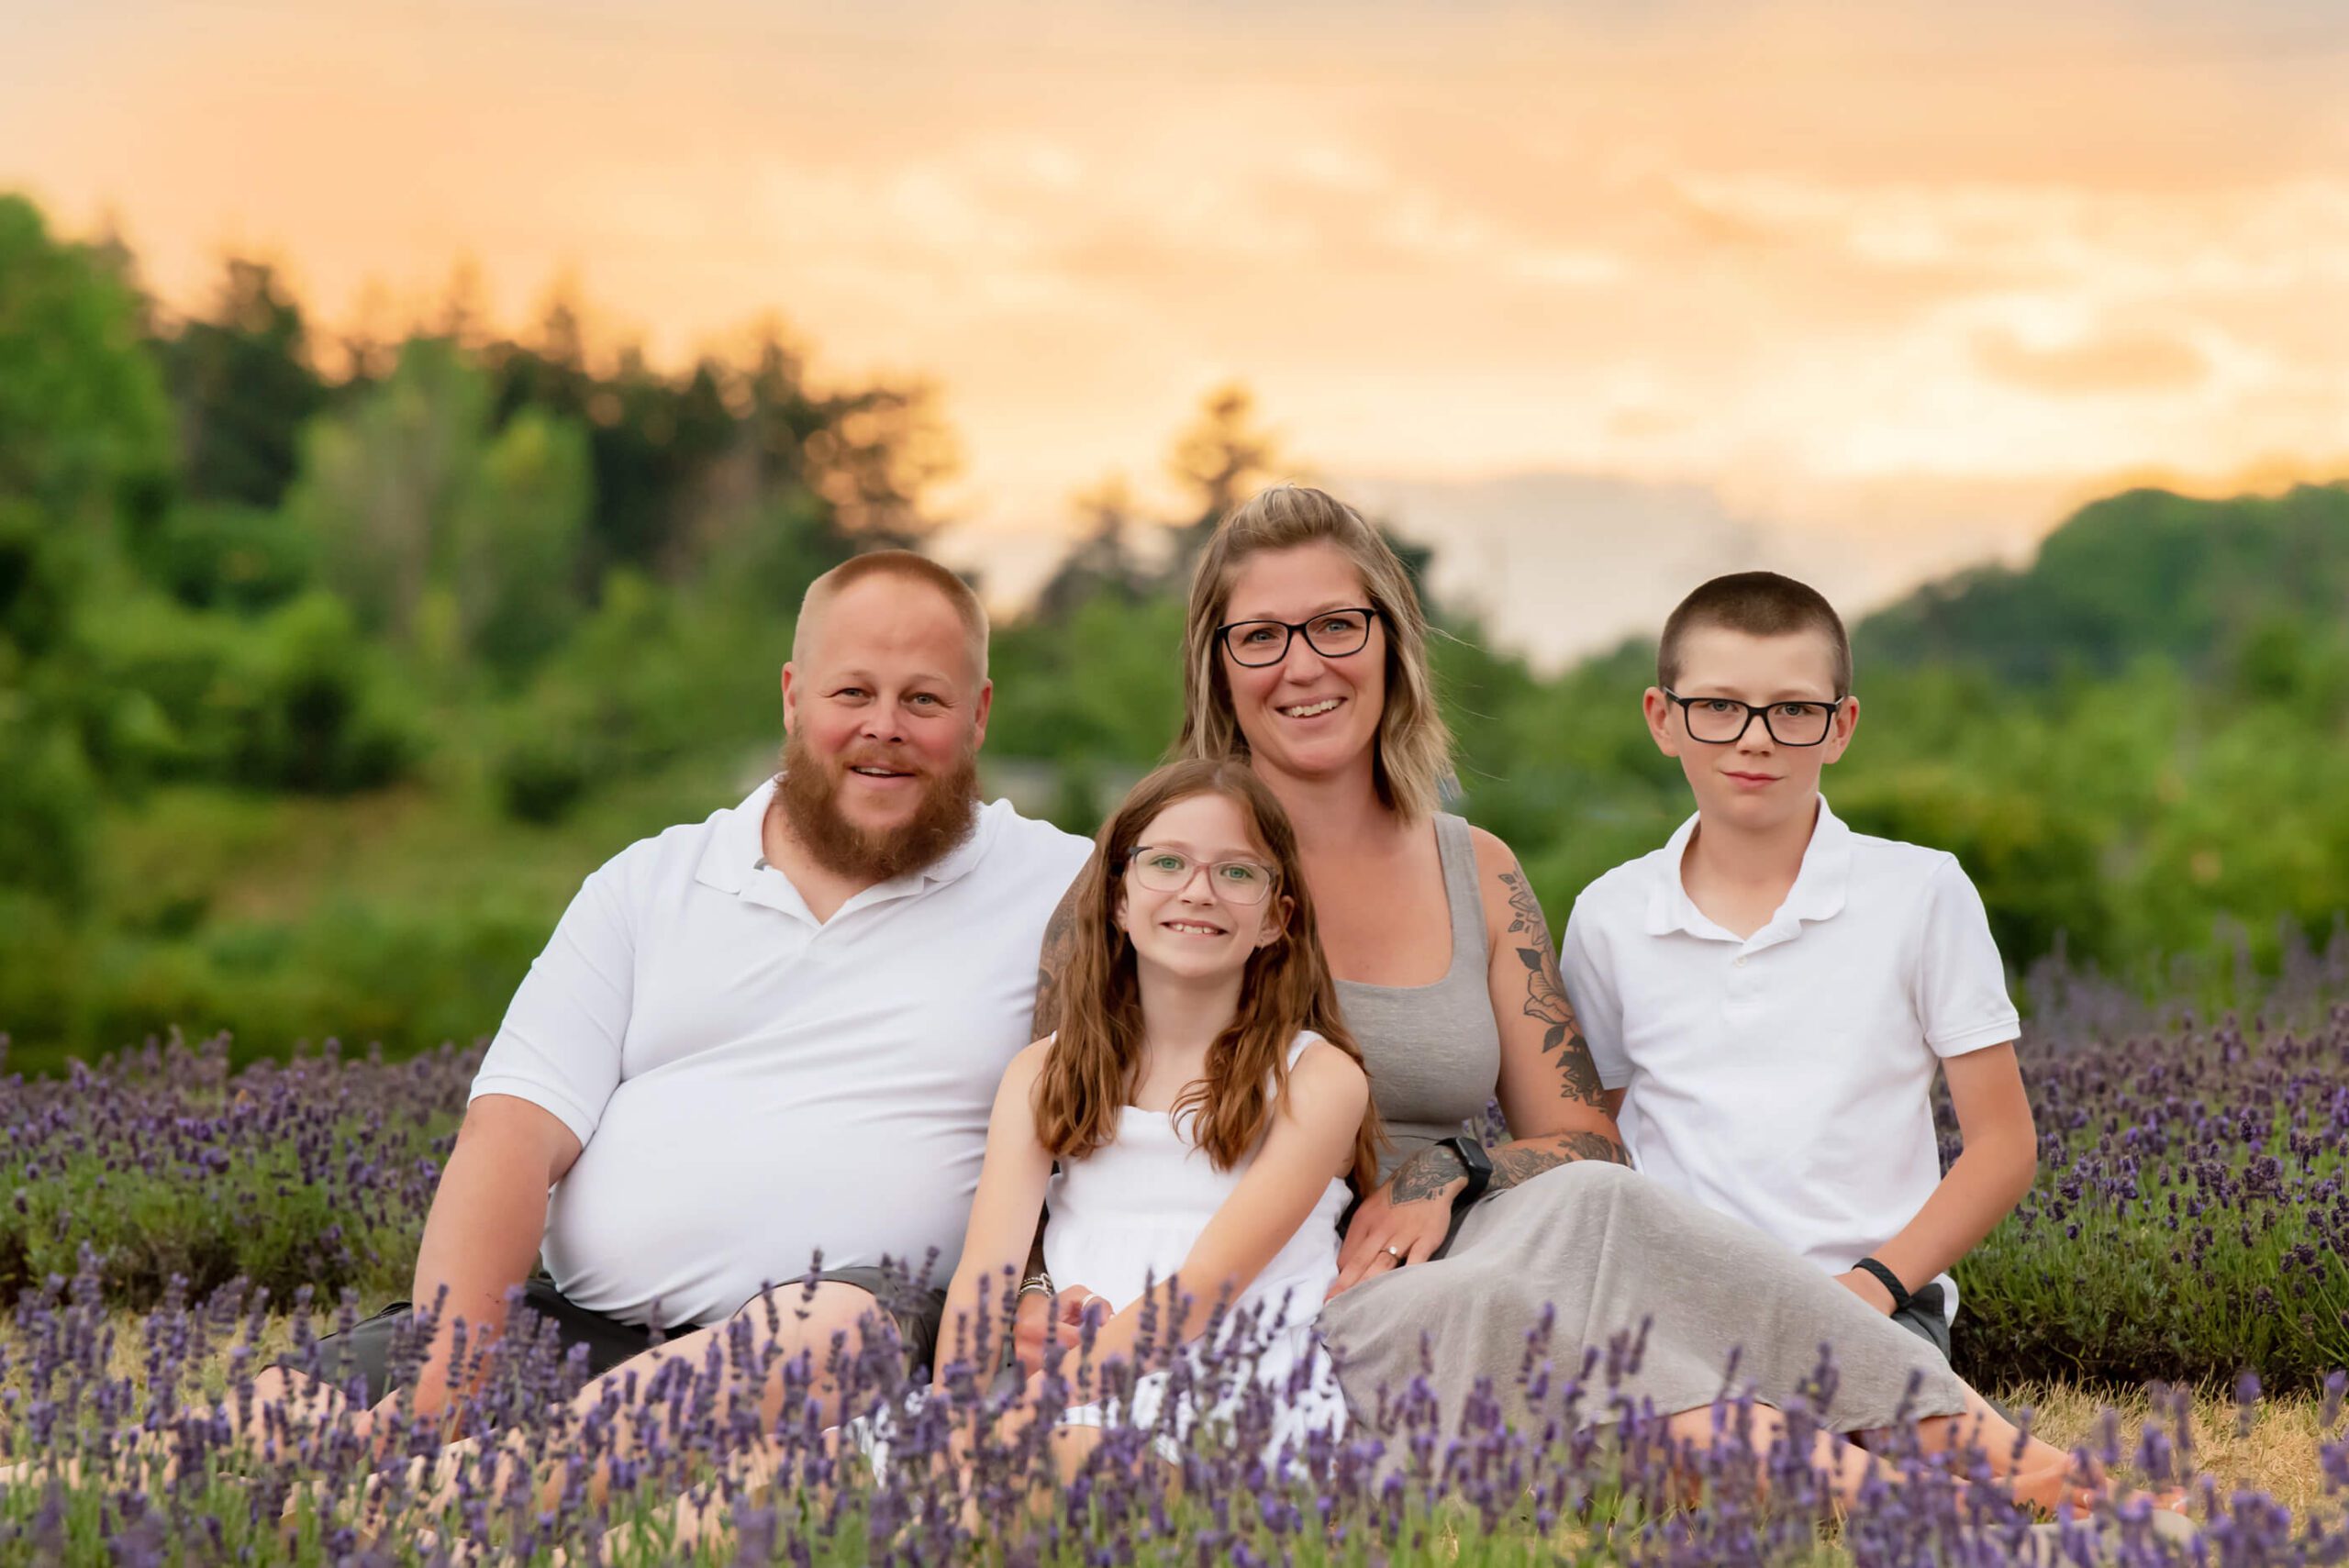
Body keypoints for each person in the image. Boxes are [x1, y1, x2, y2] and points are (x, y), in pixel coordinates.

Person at [1022, 485, 2144, 1515]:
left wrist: (1447, 1169)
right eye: (1259, 636)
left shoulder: (1479, 870)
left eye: (1334, 625)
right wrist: (1029, 1300)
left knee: (1597, 1211)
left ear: (1388, 642)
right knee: (1505, 1319)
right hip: (1303, 1288)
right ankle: (1930, 1505)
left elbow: (1581, 1137)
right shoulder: (1153, 876)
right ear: (1215, 663)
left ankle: (1997, 1454)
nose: (1301, 663)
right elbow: (1053, 1131)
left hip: (1465, 1237)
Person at [262, 548, 1094, 1436]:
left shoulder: (1072, 892)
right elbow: (509, 1134)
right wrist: (442, 1388)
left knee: (826, 1328)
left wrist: (1047, 1289)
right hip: (581, 1325)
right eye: (851, 693)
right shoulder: (649, 880)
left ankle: (496, 1477)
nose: (882, 725)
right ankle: (452, 1441)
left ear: (978, 715)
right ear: (791, 696)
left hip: (857, 1335)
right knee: (224, 1433)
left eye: (921, 699)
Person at [1558, 572, 2037, 1359]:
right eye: (1717, 706)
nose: (1755, 737)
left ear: (1841, 726)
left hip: (1877, 1304)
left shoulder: (1922, 893)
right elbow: (1587, 1139)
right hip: (1674, 1311)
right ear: (1662, 718)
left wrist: (1874, 1284)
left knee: (1840, 1453)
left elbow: (2003, 1145)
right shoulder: (1611, 915)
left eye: (1792, 710)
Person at [931, 758, 1375, 1485]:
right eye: (1166, 862)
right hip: (1062, 1401)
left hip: (1228, 1402)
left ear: (1276, 917)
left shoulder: (1316, 1079)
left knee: (1037, 1474)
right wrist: (950, 1426)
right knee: (782, 1479)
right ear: (1117, 897)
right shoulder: (1043, 1073)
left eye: (1237, 873)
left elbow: (1204, 1287)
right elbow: (986, 1278)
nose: (1198, 890)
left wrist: (1039, 1410)